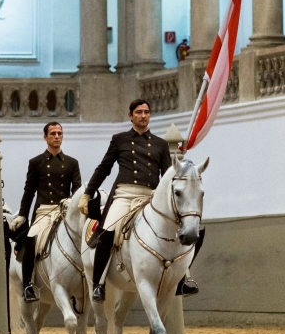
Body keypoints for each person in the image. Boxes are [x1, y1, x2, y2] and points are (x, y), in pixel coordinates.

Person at [79, 99, 172, 302]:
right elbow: (103, 169)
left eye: (147, 112)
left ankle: (182, 279)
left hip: (150, 197)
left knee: (173, 229)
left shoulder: (160, 144)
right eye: (139, 112)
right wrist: (87, 193)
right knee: (107, 230)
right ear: (130, 115)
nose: (143, 115)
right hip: (124, 194)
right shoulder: (119, 139)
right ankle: (99, 284)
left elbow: (167, 177)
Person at [11, 122, 81, 303]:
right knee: (30, 239)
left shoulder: (72, 163)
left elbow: (78, 188)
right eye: (53, 133)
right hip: (43, 212)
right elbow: (29, 190)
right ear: (45, 137)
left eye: (60, 133)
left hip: (63, 212)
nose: (57, 136)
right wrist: (23, 215)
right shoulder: (36, 162)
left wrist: (72, 201)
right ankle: (27, 284)